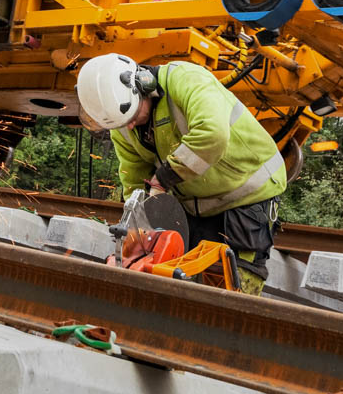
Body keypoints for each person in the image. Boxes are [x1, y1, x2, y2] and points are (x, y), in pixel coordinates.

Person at [76, 53, 286, 294]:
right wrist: (137, 228)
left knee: (236, 281)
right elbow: (133, 178)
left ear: (144, 85)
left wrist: (164, 178)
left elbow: (213, 135)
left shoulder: (186, 79)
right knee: (186, 280)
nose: (130, 126)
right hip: (196, 202)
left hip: (248, 194)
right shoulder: (122, 124)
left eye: (133, 116)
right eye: (123, 122)